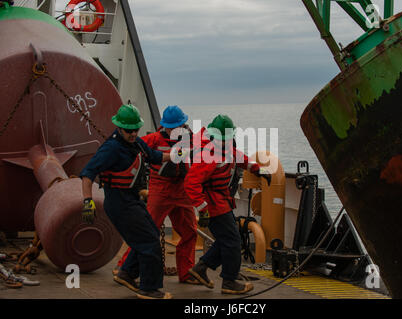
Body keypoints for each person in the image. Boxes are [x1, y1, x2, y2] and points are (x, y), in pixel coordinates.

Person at [80, 103, 172, 299]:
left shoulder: (136, 143)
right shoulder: (111, 149)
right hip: (119, 204)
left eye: (135, 130)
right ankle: (149, 288)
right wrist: (87, 202)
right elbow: (87, 175)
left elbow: (155, 156)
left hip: (132, 200)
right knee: (149, 242)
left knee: (150, 235)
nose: (132, 134)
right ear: (119, 127)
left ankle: (126, 273)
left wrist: (178, 155)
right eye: (129, 131)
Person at [184, 114, 271, 295]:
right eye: (222, 139)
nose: (225, 142)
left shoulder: (226, 148)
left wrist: (258, 169)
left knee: (226, 240)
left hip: (222, 202)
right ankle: (229, 281)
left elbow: (240, 158)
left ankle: (201, 268)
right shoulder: (207, 156)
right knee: (232, 241)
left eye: (227, 138)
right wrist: (203, 209)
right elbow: (191, 183)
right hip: (213, 205)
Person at [115, 105, 199, 285]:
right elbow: (132, 147)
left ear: (184, 125)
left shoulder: (191, 140)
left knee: (189, 232)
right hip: (160, 191)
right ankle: (124, 267)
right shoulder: (152, 139)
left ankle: (187, 273)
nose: (175, 129)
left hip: (182, 191)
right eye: (171, 127)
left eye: (179, 125)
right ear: (164, 126)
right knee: (147, 232)